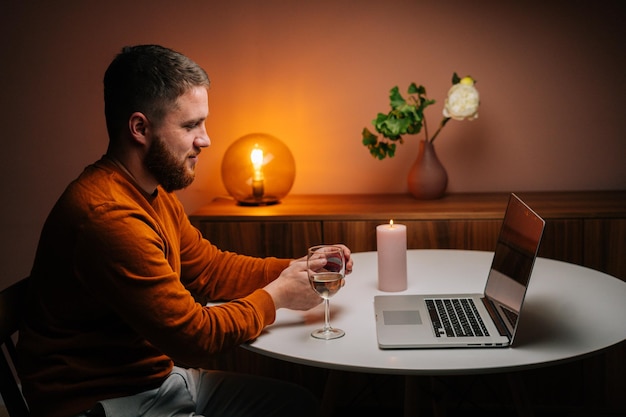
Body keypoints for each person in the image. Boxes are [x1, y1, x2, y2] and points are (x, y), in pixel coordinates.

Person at [16, 44, 353, 417]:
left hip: (157, 382)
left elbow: (210, 269)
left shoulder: (150, 191)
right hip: (105, 403)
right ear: (140, 128)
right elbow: (195, 338)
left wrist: (297, 268)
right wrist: (276, 297)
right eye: (191, 125)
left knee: (298, 404)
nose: (205, 139)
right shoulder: (108, 216)